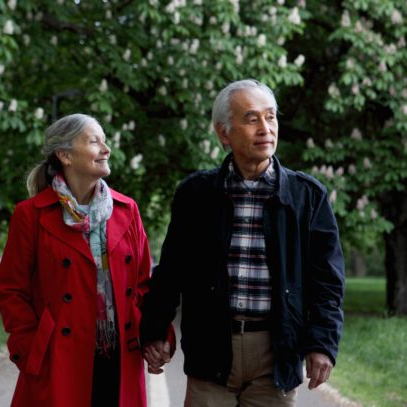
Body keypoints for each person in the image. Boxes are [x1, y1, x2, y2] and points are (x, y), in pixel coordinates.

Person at [140, 79, 345, 406]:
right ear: (224, 133)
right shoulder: (196, 194)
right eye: (252, 119)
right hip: (211, 347)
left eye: (271, 117)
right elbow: (173, 270)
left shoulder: (307, 196)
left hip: (277, 349)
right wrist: (153, 330)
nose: (266, 128)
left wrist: (322, 343)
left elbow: (327, 280)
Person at [0, 113, 162, 406]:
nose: (106, 149)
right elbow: (11, 290)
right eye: (94, 141)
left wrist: (155, 335)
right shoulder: (31, 215)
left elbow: (143, 285)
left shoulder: (127, 210)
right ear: (65, 155)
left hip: (121, 354)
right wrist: (31, 346)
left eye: (105, 141)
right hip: (59, 357)